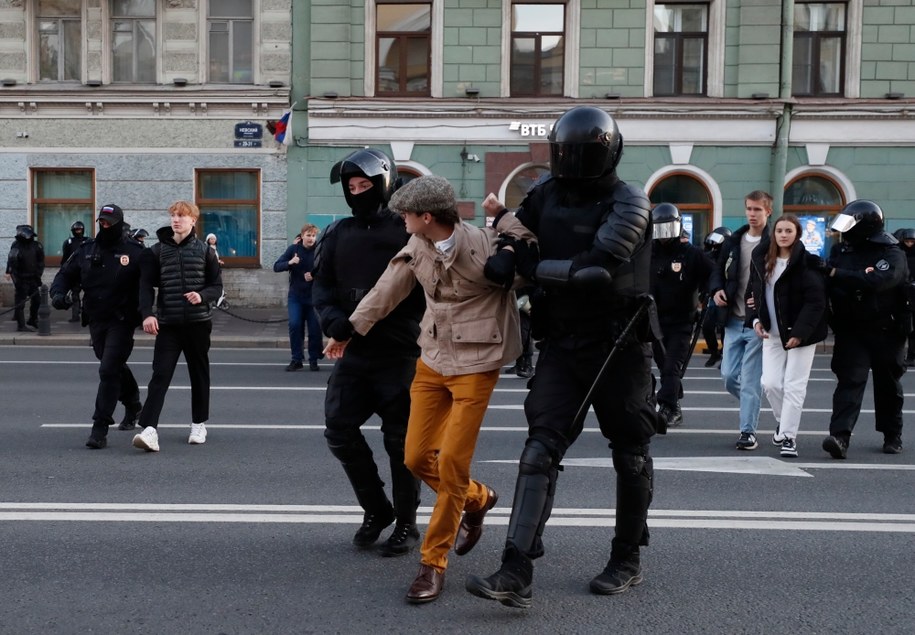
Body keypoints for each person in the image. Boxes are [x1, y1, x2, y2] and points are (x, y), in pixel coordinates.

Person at [466, 106, 660, 609]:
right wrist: (508, 253)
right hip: (564, 340)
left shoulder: (630, 200)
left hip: (618, 345)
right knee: (538, 450)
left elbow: (595, 269)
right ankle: (516, 569)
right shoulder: (546, 191)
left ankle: (627, 557)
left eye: (580, 154)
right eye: (565, 153)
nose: (571, 162)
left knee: (630, 454)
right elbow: (516, 230)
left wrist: (529, 264)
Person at [324, 175, 537, 604]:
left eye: (405, 212)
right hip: (432, 358)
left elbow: (527, 243)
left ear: (426, 216)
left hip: (477, 363)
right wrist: (348, 330)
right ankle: (479, 499)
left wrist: (508, 232)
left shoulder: (482, 244)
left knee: (453, 464)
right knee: (415, 455)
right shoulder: (416, 247)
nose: (398, 217)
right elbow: (385, 291)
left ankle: (432, 563)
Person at [312, 148, 426, 559]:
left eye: (365, 186)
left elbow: (429, 288)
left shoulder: (408, 230)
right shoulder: (338, 232)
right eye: (352, 187)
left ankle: (409, 524)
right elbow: (322, 286)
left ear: (385, 184)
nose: (358, 193)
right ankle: (377, 510)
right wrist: (331, 320)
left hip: (401, 355)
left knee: (401, 444)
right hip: (355, 353)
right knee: (339, 429)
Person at [131, 200, 223, 452]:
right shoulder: (157, 251)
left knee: (199, 374)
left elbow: (217, 286)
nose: (176, 219)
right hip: (168, 323)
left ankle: (198, 423)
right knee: (160, 375)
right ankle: (149, 430)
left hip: (198, 323)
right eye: (173, 215)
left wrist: (201, 296)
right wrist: (147, 314)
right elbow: (145, 286)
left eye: (182, 216)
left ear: (193, 220)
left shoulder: (206, 251)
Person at [50, 204, 145, 447]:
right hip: (96, 318)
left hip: (122, 320)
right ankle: (133, 403)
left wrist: (153, 312)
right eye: (101, 222)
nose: (104, 226)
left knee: (108, 369)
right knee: (111, 365)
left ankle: (100, 428)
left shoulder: (134, 251)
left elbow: (150, 283)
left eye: (109, 223)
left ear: (118, 223)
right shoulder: (87, 249)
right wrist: (58, 294)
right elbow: (64, 274)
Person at [822, 200, 908, 459]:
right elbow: (833, 283)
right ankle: (840, 437)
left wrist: (840, 274)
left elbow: (880, 281)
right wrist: (853, 276)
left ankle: (892, 435)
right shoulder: (841, 251)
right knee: (850, 381)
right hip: (852, 328)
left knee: (888, 385)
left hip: (887, 329)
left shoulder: (892, 252)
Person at [748, 215, 828, 458]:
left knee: (794, 386)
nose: (783, 234)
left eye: (788, 231)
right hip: (772, 333)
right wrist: (755, 319)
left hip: (801, 335)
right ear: (774, 234)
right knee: (769, 383)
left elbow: (816, 303)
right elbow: (753, 293)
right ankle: (784, 424)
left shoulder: (808, 264)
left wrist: (800, 334)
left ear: (797, 234)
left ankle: (789, 438)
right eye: (780, 230)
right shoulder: (762, 260)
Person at [709, 191, 772, 450]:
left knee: (749, 380)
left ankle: (748, 432)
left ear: (768, 211)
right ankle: (751, 401)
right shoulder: (734, 240)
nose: (752, 214)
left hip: (756, 322)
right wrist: (716, 289)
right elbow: (717, 269)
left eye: (757, 209)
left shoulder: (773, 242)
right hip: (733, 319)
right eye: (749, 209)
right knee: (728, 375)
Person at [650, 203, 713, 428]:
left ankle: (667, 407)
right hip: (654, 321)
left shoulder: (691, 253)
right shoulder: (649, 251)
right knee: (664, 365)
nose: (664, 236)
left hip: (681, 321)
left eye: (668, 229)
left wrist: (708, 294)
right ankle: (674, 401)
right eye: (659, 229)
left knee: (670, 367)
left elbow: (712, 274)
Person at [273, 223, 323, 371]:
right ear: (302, 237)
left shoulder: (320, 251)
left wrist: (314, 276)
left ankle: (313, 359)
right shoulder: (293, 249)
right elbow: (277, 266)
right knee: (295, 325)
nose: (311, 238)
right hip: (296, 296)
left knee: (314, 329)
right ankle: (296, 359)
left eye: (313, 236)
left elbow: (328, 270)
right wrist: (290, 262)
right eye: (308, 235)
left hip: (314, 298)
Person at [5, 224, 45, 332]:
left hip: (33, 278)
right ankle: (21, 325)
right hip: (22, 279)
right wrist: (15, 279)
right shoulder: (16, 246)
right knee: (20, 303)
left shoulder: (36, 246)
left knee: (37, 300)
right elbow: (12, 264)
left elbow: (40, 262)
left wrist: (38, 275)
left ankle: (33, 319)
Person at [701, 226, 731, 367]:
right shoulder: (709, 255)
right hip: (711, 296)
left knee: (725, 328)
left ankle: (725, 356)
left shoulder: (730, 256)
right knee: (707, 326)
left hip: (726, 297)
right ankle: (714, 352)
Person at [893, 227, 915, 366]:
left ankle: (911, 355)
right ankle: (908, 355)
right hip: (902, 294)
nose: (910, 244)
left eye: (912, 241)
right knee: (906, 327)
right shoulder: (899, 254)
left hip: (912, 294)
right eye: (907, 241)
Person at [61, 221, 89, 322]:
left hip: (86, 271)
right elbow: (65, 258)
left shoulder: (88, 241)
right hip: (74, 272)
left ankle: (87, 314)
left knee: (88, 295)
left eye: (80, 229)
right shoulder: (69, 242)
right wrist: (64, 270)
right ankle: (75, 315)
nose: (78, 231)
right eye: (77, 230)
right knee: (75, 295)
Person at [205, 233, 228, 308]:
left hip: (216, 268)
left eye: (214, 239)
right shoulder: (207, 248)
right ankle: (218, 298)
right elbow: (210, 259)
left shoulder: (214, 248)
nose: (213, 240)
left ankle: (219, 298)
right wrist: (217, 261)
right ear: (208, 240)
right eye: (211, 239)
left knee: (217, 284)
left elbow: (216, 258)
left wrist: (219, 261)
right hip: (211, 270)